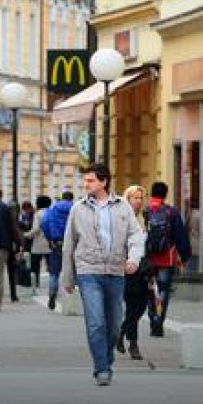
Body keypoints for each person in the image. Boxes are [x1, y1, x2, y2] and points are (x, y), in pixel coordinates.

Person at [61, 163, 144, 386]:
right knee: (96, 322)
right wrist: (67, 278)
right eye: (85, 180)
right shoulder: (77, 209)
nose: (85, 184)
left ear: (104, 182)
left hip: (116, 273)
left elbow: (136, 236)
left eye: (90, 180)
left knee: (115, 325)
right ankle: (102, 368)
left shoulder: (123, 207)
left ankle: (106, 357)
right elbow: (69, 245)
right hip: (89, 272)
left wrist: (133, 259)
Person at [144, 182, 191, 337]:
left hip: (148, 258)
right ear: (165, 194)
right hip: (167, 258)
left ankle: (152, 319)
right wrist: (185, 256)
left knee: (151, 290)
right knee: (163, 291)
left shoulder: (145, 211)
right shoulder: (172, 212)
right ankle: (159, 321)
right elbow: (180, 236)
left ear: (151, 193)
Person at [117, 185, 148, 361]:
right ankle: (133, 344)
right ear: (127, 199)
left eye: (140, 198)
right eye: (134, 197)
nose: (138, 201)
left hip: (143, 269)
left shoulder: (144, 218)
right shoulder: (122, 218)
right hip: (127, 268)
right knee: (132, 307)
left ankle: (120, 333)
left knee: (141, 307)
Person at [41, 191, 75, 310]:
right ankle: (73, 298)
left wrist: (50, 238)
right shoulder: (75, 208)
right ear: (71, 199)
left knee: (54, 272)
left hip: (57, 243)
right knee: (73, 270)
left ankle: (52, 294)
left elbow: (44, 223)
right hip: (73, 243)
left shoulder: (52, 209)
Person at [25, 196, 52, 295]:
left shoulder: (38, 214)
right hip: (50, 244)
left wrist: (26, 234)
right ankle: (52, 287)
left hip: (38, 244)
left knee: (34, 267)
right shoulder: (52, 212)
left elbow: (35, 229)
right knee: (51, 267)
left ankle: (34, 287)